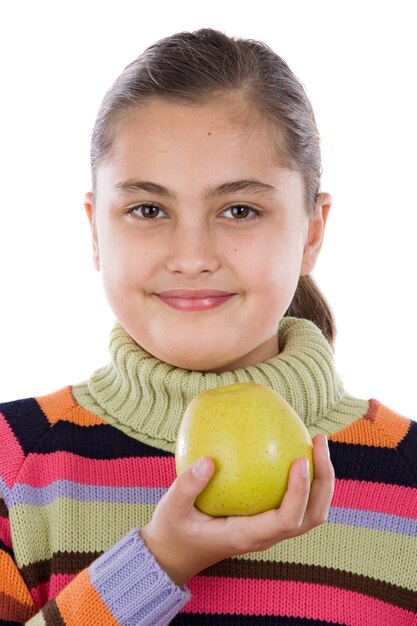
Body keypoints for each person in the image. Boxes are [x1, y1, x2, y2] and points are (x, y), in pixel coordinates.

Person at [0, 27, 416, 626]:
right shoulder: (15, 463)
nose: (192, 255)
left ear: (312, 232)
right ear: (96, 231)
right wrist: (159, 562)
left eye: (239, 210)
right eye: (148, 210)